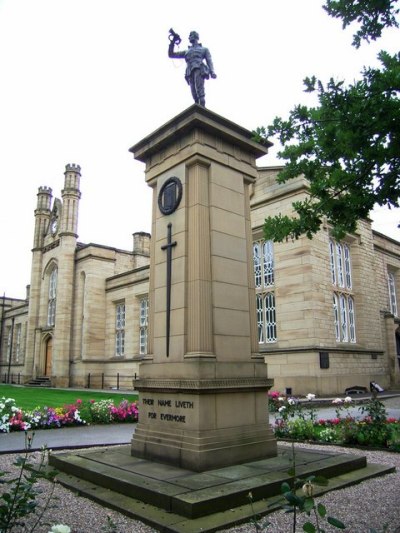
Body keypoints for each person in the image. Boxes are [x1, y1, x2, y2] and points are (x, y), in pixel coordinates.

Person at [168, 30, 217, 107]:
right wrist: (172, 42)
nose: (189, 37)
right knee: (194, 94)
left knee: (200, 92)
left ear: (196, 36)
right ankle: (197, 110)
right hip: (189, 72)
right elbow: (171, 54)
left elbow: (209, 61)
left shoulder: (204, 49)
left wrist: (212, 72)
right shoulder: (187, 51)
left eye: (190, 35)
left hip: (199, 69)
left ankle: (202, 111)